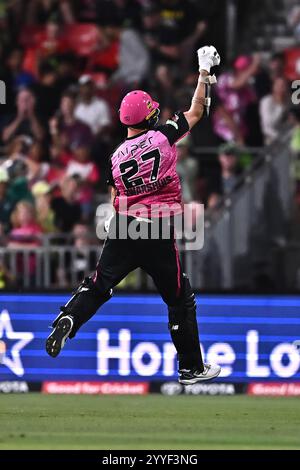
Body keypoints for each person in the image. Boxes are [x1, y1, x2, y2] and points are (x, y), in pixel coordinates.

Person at [46, 45, 222, 385]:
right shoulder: (162, 137)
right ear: (149, 116)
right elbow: (196, 112)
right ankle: (191, 367)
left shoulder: (115, 156)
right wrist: (203, 73)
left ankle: (68, 317)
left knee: (99, 285)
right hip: (157, 230)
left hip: (125, 226)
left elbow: (115, 197)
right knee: (178, 297)